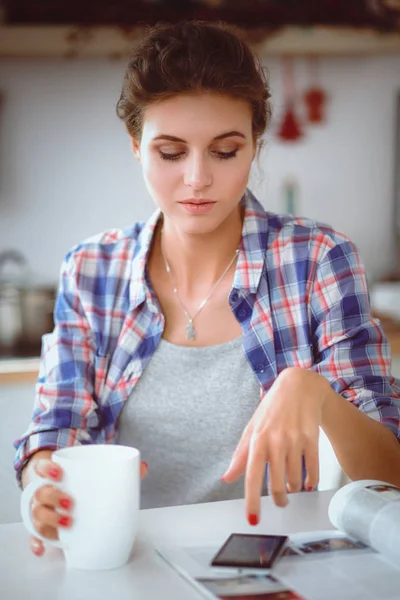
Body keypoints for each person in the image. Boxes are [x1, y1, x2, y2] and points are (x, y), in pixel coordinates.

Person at [14, 20, 400, 558]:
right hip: (130, 563)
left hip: (284, 568)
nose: (197, 179)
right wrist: (42, 485)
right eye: (171, 153)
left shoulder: (318, 260)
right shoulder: (90, 268)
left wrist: (313, 392)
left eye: (224, 151)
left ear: (254, 146)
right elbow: (55, 431)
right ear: (136, 147)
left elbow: (389, 477)